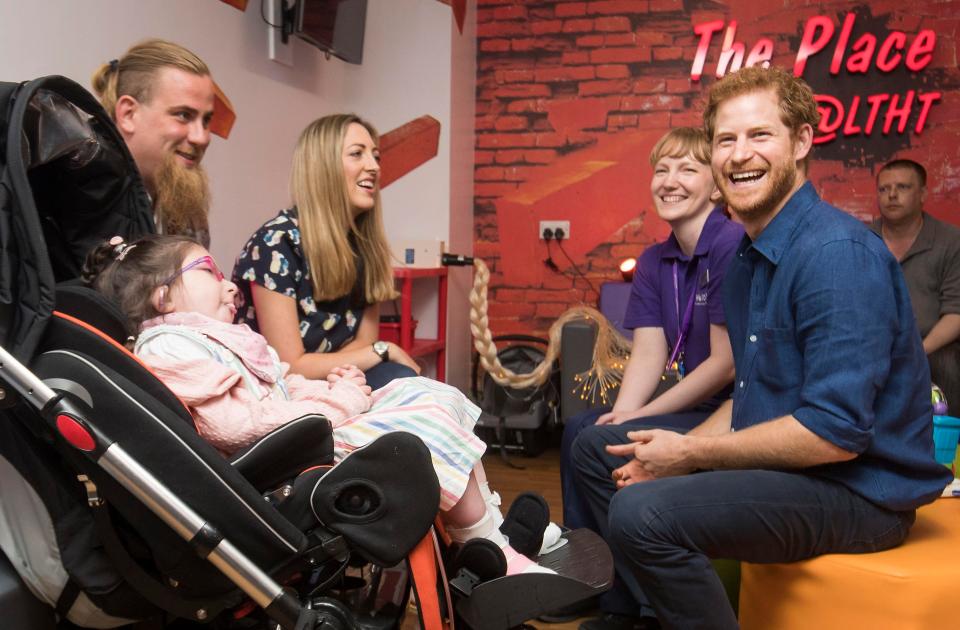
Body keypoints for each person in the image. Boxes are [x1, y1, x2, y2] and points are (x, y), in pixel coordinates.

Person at [571, 65, 952, 630]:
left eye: (760, 135)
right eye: (726, 139)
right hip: (799, 472)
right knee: (598, 449)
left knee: (641, 510)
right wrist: (667, 450)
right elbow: (752, 397)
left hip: (860, 494)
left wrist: (688, 456)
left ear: (801, 142)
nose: (739, 154)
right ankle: (649, 613)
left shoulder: (836, 254)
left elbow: (834, 435)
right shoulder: (750, 261)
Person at [83, 234, 553, 576]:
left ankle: (488, 528)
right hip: (281, 466)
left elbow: (281, 390)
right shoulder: (168, 347)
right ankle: (489, 548)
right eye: (209, 272)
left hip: (301, 438)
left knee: (428, 391)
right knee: (422, 422)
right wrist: (340, 404)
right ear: (162, 295)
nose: (230, 287)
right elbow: (234, 427)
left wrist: (332, 389)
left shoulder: (215, 340)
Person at [560, 127, 742, 531]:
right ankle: (585, 554)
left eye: (688, 170)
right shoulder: (654, 259)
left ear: (716, 188)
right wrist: (624, 414)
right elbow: (648, 352)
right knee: (579, 427)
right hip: (696, 404)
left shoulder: (731, 243)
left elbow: (725, 364)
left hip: (736, 412)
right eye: (662, 170)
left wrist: (641, 414)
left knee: (596, 441)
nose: (669, 181)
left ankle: (628, 551)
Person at [233, 114, 418, 390]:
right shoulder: (274, 245)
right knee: (400, 380)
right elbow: (289, 365)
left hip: (339, 377)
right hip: (279, 389)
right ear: (323, 167)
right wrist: (383, 350)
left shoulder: (364, 244)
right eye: (357, 154)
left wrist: (352, 367)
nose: (374, 166)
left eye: (376, 156)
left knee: (410, 387)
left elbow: (364, 340)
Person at [92, 39, 216, 246]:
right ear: (129, 114)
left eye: (206, 120)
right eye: (184, 115)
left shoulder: (180, 199)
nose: (201, 137)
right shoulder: (85, 199)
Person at [871, 159, 960, 415]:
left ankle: (947, 449)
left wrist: (917, 351)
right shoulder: (862, 239)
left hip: (932, 348)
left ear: (922, 194)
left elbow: (955, 314)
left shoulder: (951, 241)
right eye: (884, 189)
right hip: (873, 345)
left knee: (948, 363)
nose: (892, 195)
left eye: (902, 187)